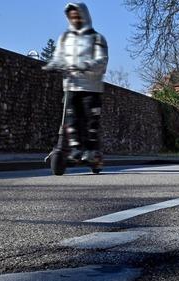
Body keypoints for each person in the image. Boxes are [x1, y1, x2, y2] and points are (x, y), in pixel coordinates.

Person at [43, 2, 108, 163]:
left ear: (84, 16)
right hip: (71, 85)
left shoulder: (97, 38)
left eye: (78, 16)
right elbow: (58, 56)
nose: (75, 19)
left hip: (92, 87)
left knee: (90, 119)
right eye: (72, 17)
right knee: (70, 119)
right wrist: (52, 65)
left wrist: (86, 65)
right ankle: (76, 148)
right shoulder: (65, 38)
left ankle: (91, 150)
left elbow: (102, 60)